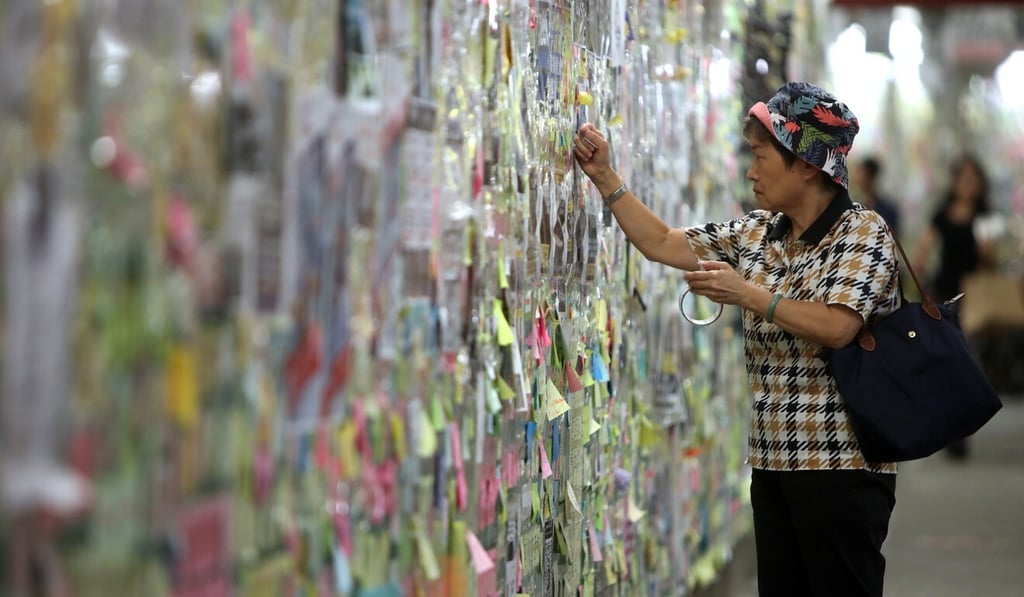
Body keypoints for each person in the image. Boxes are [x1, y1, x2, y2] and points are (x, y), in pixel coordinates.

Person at [574, 82, 901, 597]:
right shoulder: (758, 233)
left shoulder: (862, 234)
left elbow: (839, 326)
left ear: (807, 164)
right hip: (772, 462)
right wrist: (605, 177)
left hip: (841, 466)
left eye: (760, 155)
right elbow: (662, 243)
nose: (751, 170)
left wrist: (749, 295)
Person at [911, 154, 996, 459]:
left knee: (967, 363)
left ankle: (960, 428)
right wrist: (918, 277)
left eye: (974, 180)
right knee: (946, 363)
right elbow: (924, 249)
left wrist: (987, 251)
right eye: (964, 179)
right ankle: (953, 430)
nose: (968, 186)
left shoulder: (984, 216)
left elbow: (991, 260)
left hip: (973, 298)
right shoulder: (943, 214)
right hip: (944, 296)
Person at [851, 155, 901, 236]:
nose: (856, 177)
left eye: (860, 172)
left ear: (870, 176)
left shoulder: (887, 210)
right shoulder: (855, 206)